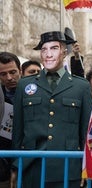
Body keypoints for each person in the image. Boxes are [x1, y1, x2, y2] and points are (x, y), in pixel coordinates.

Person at [11, 31, 92, 188]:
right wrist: (15, 166)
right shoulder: (24, 85)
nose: (48, 54)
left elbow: (85, 132)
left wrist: (85, 167)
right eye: (44, 49)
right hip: (31, 167)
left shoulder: (81, 86)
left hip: (68, 168)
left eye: (54, 48)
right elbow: (18, 130)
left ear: (64, 52)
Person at [0, 52, 21, 188]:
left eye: (13, 72)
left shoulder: (33, 94)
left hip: (26, 159)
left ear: (20, 71)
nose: (9, 78)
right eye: (3, 74)